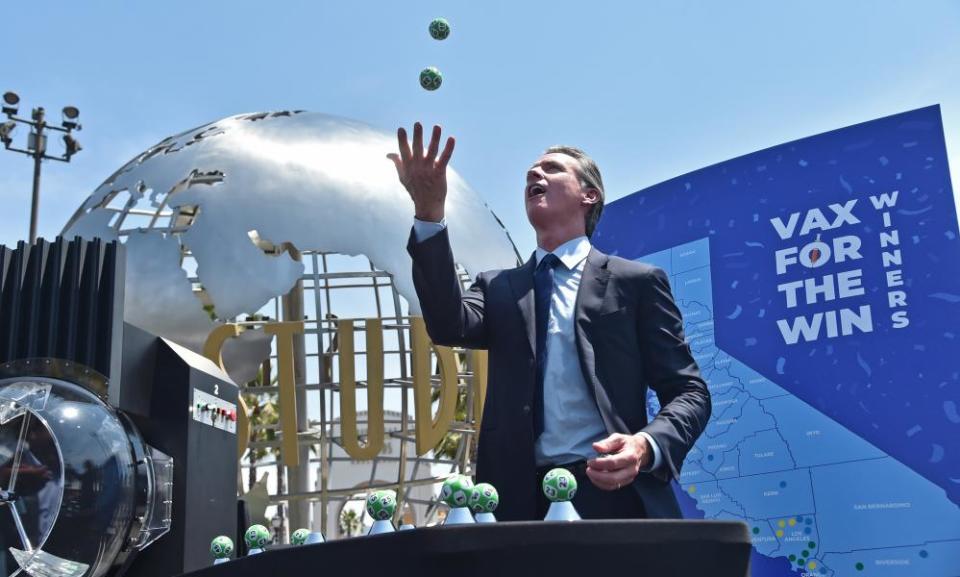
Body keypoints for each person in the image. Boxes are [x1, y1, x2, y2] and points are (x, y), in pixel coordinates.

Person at [389, 123, 711, 520]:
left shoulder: (636, 283)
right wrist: (428, 214)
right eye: (530, 173)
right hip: (518, 504)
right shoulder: (498, 288)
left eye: (552, 169)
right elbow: (447, 324)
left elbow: (689, 392)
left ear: (589, 195)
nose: (534, 174)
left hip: (613, 494)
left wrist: (645, 446)